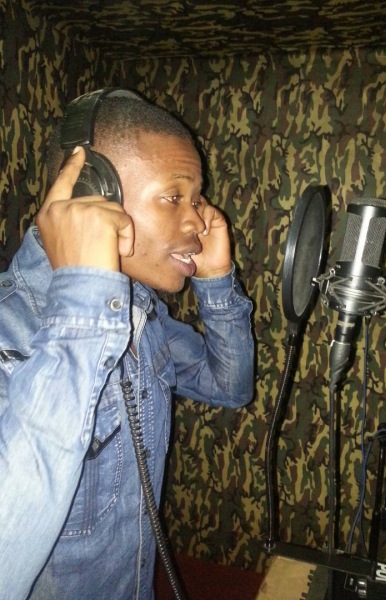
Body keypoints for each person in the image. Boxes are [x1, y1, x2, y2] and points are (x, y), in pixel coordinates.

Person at [0, 91, 254, 599]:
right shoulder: (11, 336)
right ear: (92, 195)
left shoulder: (139, 311)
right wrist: (82, 302)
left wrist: (216, 281)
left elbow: (231, 387)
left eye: (197, 199)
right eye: (174, 197)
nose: (198, 221)